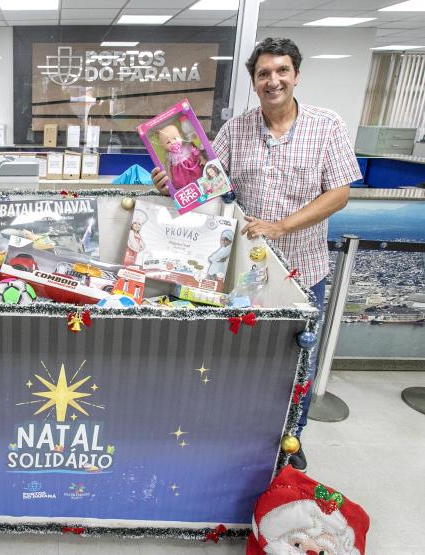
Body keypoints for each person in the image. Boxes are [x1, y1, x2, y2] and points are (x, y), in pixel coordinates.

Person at [152, 37, 361, 471]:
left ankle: (291, 437)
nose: (273, 80)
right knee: (243, 355)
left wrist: (282, 226)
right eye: (263, 73)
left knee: (298, 360)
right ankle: (237, 433)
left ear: (296, 75)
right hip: (246, 272)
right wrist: (172, 181)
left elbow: (339, 193)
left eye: (281, 70)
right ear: (254, 82)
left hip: (304, 269)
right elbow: (207, 183)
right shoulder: (236, 129)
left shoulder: (327, 126)